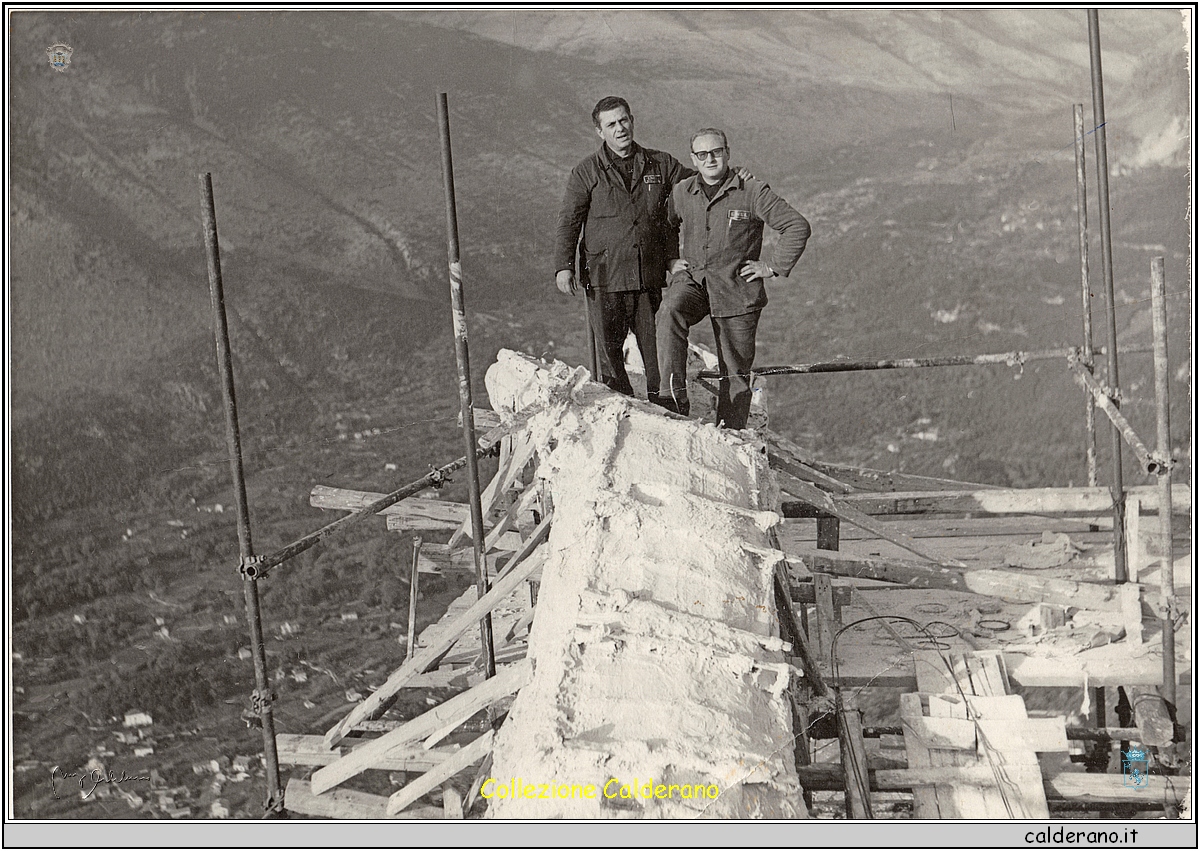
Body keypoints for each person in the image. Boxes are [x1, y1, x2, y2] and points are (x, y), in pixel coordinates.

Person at [656, 128, 811, 430]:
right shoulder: (683, 192)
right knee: (670, 310)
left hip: (736, 289)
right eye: (703, 154)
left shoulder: (752, 191)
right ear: (694, 159)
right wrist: (670, 259)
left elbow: (796, 225)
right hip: (696, 282)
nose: (710, 158)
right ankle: (672, 401)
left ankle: (731, 433)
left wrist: (772, 267)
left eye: (716, 152)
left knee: (735, 370)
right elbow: (664, 226)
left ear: (727, 153)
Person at [553, 96, 692, 402]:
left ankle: (666, 408)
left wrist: (735, 178)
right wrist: (563, 265)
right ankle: (621, 412)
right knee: (611, 359)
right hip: (605, 278)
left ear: (632, 120)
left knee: (657, 353)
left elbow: (697, 186)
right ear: (599, 131)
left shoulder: (661, 164)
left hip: (647, 277)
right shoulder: (586, 171)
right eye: (611, 124)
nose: (620, 128)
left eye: (624, 120)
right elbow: (569, 220)